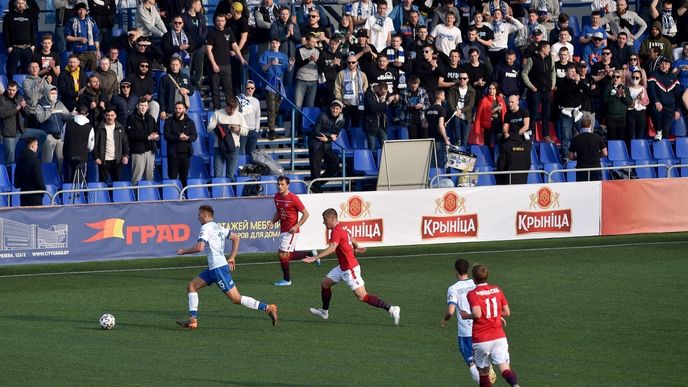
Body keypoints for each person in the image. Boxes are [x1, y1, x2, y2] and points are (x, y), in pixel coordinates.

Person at [176, 205, 278, 329]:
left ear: (204, 215)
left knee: (236, 299)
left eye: (199, 215)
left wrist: (183, 251)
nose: (198, 218)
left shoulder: (205, 228)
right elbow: (236, 238)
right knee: (191, 286)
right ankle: (193, 320)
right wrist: (232, 257)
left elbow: (200, 247)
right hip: (214, 268)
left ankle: (268, 308)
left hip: (218, 269)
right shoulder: (218, 227)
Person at [304, 208, 400, 326]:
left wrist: (315, 257)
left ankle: (392, 309)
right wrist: (356, 247)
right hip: (342, 267)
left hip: (350, 269)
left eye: (325, 220)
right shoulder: (342, 227)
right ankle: (324, 312)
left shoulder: (336, 231)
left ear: (332, 218)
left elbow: (332, 248)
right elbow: (352, 239)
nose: (324, 222)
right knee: (325, 284)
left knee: (362, 296)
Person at [460, 264, 520, 387]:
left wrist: (466, 315)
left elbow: (477, 314)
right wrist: (496, 316)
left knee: (483, 374)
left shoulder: (472, 294)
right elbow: (507, 312)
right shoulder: (497, 289)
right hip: (499, 337)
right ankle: (515, 385)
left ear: (474, 279)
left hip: (481, 338)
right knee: (504, 368)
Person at [441, 258, 495, 384]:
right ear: (468, 270)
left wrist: (444, 320)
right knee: (481, 360)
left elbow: (450, 311)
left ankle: (485, 381)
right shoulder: (476, 283)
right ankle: (486, 368)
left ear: (456, 271)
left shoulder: (453, 288)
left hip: (465, 333)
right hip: (481, 328)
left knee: (471, 363)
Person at [266, 175, 318, 285]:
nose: (280, 186)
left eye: (282, 184)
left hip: (291, 231)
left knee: (282, 254)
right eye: (278, 184)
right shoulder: (276, 197)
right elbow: (279, 212)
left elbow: (306, 214)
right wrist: (272, 222)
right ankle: (309, 253)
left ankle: (287, 279)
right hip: (283, 229)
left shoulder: (293, 198)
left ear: (288, 185)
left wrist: (296, 226)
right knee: (285, 254)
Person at [206, 14, 247, 110]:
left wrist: (241, 57)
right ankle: (217, 109)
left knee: (228, 89)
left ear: (225, 21)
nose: (220, 23)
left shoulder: (229, 31)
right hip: (214, 65)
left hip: (226, 65)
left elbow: (235, 46)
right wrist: (214, 64)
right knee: (215, 90)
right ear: (215, 21)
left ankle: (231, 109)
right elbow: (208, 50)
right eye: (218, 20)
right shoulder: (211, 33)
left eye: (222, 21)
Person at [260, 38, 295, 140]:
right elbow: (263, 68)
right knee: (271, 108)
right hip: (270, 82)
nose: (274, 44)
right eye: (273, 43)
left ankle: (273, 129)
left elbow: (287, 69)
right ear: (270, 44)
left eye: (276, 42)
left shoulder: (283, 56)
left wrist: (291, 64)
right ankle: (271, 131)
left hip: (280, 83)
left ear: (279, 44)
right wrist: (270, 63)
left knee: (276, 108)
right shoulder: (266, 54)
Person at [309, 100, 346, 193]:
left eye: (337, 108)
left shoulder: (342, 120)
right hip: (316, 145)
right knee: (315, 169)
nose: (335, 110)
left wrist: (327, 139)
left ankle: (317, 184)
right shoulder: (323, 115)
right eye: (333, 108)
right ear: (330, 108)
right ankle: (316, 188)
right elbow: (316, 131)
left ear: (341, 110)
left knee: (335, 165)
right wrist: (329, 136)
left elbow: (335, 135)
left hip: (326, 145)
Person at [207, 98, 247, 180]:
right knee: (217, 174)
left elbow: (246, 131)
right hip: (219, 147)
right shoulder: (217, 113)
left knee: (231, 175)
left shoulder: (239, 116)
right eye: (229, 109)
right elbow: (209, 129)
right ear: (226, 106)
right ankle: (217, 192)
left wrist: (238, 129)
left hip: (234, 147)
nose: (231, 111)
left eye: (233, 109)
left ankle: (230, 192)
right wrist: (219, 126)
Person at [498, 95, 531, 185]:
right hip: (512, 137)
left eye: (512, 102)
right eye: (508, 102)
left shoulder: (524, 111)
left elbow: (526, 126)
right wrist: (506, 133)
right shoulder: (508, 114)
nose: (510, 104)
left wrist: (516, 135)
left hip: (522, 136)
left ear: (517, 102)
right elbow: (505, 127)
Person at [126, 97, 159, 184]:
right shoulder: (131, 118)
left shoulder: (151, 118)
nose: (143, 107)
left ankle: (150, 197)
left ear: (147, 107)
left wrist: (156, 136)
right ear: (137, 106)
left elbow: (156, 131)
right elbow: (131, 135)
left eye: (145, 105)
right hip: (137, 151)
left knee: (150, 178)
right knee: (136, 178)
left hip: (150, 151)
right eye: (141, 105)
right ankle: (135, 197)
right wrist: (147, 137)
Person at [34, 85, 69, 168]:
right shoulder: (40, 105)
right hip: (48, 136)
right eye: (52, 93)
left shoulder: (59, 103)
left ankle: (60, 178)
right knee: (47, 161)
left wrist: (72, 115)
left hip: (60, 136)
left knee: (61, 160)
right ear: (47, 93)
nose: (54, 95)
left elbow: (65, 115)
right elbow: (40, 119)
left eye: (55, 93)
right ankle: (46, 179)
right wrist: (50, 109)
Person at [164, 102, 197, 187]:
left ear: (184, 110)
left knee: (184, 178)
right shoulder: (169, 121)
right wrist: (178, 137)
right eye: (176, 108)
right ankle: (173, 197)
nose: (178, 110)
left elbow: (194, 136)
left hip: (185, 154)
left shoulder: (190, 122)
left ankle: (184, 197)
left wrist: (187, 138)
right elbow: (166, 136)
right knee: (172, 178)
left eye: (180, 108)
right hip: (173, 154)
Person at [3, 0, 37, 81]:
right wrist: (9, 46)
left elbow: (33, 31)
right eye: (18, 3)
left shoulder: (29, 15)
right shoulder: (8, 16)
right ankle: (11, 88)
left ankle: (27, 89)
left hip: (27, 48)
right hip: (14, 48)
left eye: (22, 3)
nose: (21, 5)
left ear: (25, 3)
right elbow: (6, 33)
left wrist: (33, 45)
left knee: (28, 70)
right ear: (15, 3)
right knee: (11, 70)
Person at [94, 108, 129, 184]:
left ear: (115, 116)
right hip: (103, 161)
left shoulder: (120, 128)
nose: (110, 117)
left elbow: (125, 143)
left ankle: (116, 196)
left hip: (117, 161)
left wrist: (126, 155)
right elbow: (95, 144)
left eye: (112, 115)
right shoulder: (99, 128)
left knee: (117, 183)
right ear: (104, 116)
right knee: (103, 183)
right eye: (108, 115)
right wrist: (96, 157)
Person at [62, 104, 96, 183]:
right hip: (82, 158)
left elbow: (62, 138)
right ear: (87, 114)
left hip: (68, 156)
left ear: (76, 112)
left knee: (68, 182)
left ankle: (67, 195)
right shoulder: (90, 128)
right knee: (79, 183)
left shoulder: (67, 124)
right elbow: (90, 147)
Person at [569, 116, 608, 181]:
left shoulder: (576, 139)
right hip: (596, 169)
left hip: (581, 169)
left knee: (582, 190)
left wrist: (578, 157)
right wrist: (597, 155)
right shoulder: (597, 137)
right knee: (596, 190)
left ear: (581, 126)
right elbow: (605, 153)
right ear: (590, 126)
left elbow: (571, 156)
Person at [64, 2, 101, 72]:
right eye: (80, 10)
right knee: (79, 74)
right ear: (76, 11)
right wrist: (79, 39)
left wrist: (98, 50)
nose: (81, 12)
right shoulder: (72, 21)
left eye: (83, 10)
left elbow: (96, 37)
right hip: (77, 52)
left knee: (94, 73)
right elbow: (67, 37)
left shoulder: (92, 21)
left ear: (86, 11)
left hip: (91, 52)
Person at [364, 81, 397, 152]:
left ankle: (385, 162)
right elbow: (373, 108)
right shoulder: (368, 93)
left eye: (385, 92)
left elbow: (390, 100)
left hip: (381, 123)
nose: (384, 94)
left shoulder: (384, 92)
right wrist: (387, 102)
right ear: (378, 88)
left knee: (385, 145)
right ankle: (371, 162)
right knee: (372, 147)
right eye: (382, 92)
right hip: (371, 123)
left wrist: (395, 99)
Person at [0, 81, 28, 165]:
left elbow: (27, 114)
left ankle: (33, 153)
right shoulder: (1, 99)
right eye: (9, 89)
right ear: (6, 89)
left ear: (16, 90)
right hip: (9, 134)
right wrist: (16, 108)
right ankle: (8, 177)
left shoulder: (19, 98)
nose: (11, 92)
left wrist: (24, 107)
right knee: (10, 161)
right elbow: (2, 114)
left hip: (21, 131)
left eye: (13, 90)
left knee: (41, 134)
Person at [14, 137, 45, 207]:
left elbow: (16, 178)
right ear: (32, 146)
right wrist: (43, 189)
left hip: (23, 194)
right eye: (36, 145)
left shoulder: (20, 159)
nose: (37, 147)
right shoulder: (35, 160)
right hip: (35, 196)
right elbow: (38, 178)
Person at [473, 83, 507, 148]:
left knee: (499, 142)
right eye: (490, 89)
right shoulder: (484, 100)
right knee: (488, 143)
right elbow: (481, 114)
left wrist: (500, 111)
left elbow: (504, 113)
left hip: (499, 123)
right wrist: (496, 109)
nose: (491, 90)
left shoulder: (500, 99)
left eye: (493, 89)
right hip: (489, 124)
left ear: (496, 90)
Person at [603, 70, 633, 142]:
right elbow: (604, 100)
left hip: (622, 117)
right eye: (614, 76)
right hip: (611, 117)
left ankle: (620, 153)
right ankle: (612, 153)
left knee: (621, 138)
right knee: (611, 139)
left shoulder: (626, 89)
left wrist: (624, 96)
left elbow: (629, 102)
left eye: (617, 77)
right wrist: (615, 95)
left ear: (621, 78)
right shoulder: (608, 87)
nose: (615, 78)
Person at [427, 89, 450, 168]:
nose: (444, 97)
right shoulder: (442, 109)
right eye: (444, 95)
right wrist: (446, 139)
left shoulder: (429, 109)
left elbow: (424, 124)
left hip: (430, 139)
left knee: (432, 163)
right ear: (439, 96)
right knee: (440, 162)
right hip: (439, 140)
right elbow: (440, 126)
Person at [237, 81, 261, 156]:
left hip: (253, 130)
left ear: (254, 89)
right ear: (245, 89)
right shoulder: (240, 99)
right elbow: (237, 114)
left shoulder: (256, 101)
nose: (250, 89)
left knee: (251, 154)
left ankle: (249, 168)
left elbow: (257, 116)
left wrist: (257, 129)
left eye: (252, 88)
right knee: (240, 152)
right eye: (248, 88)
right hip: (243, 130)